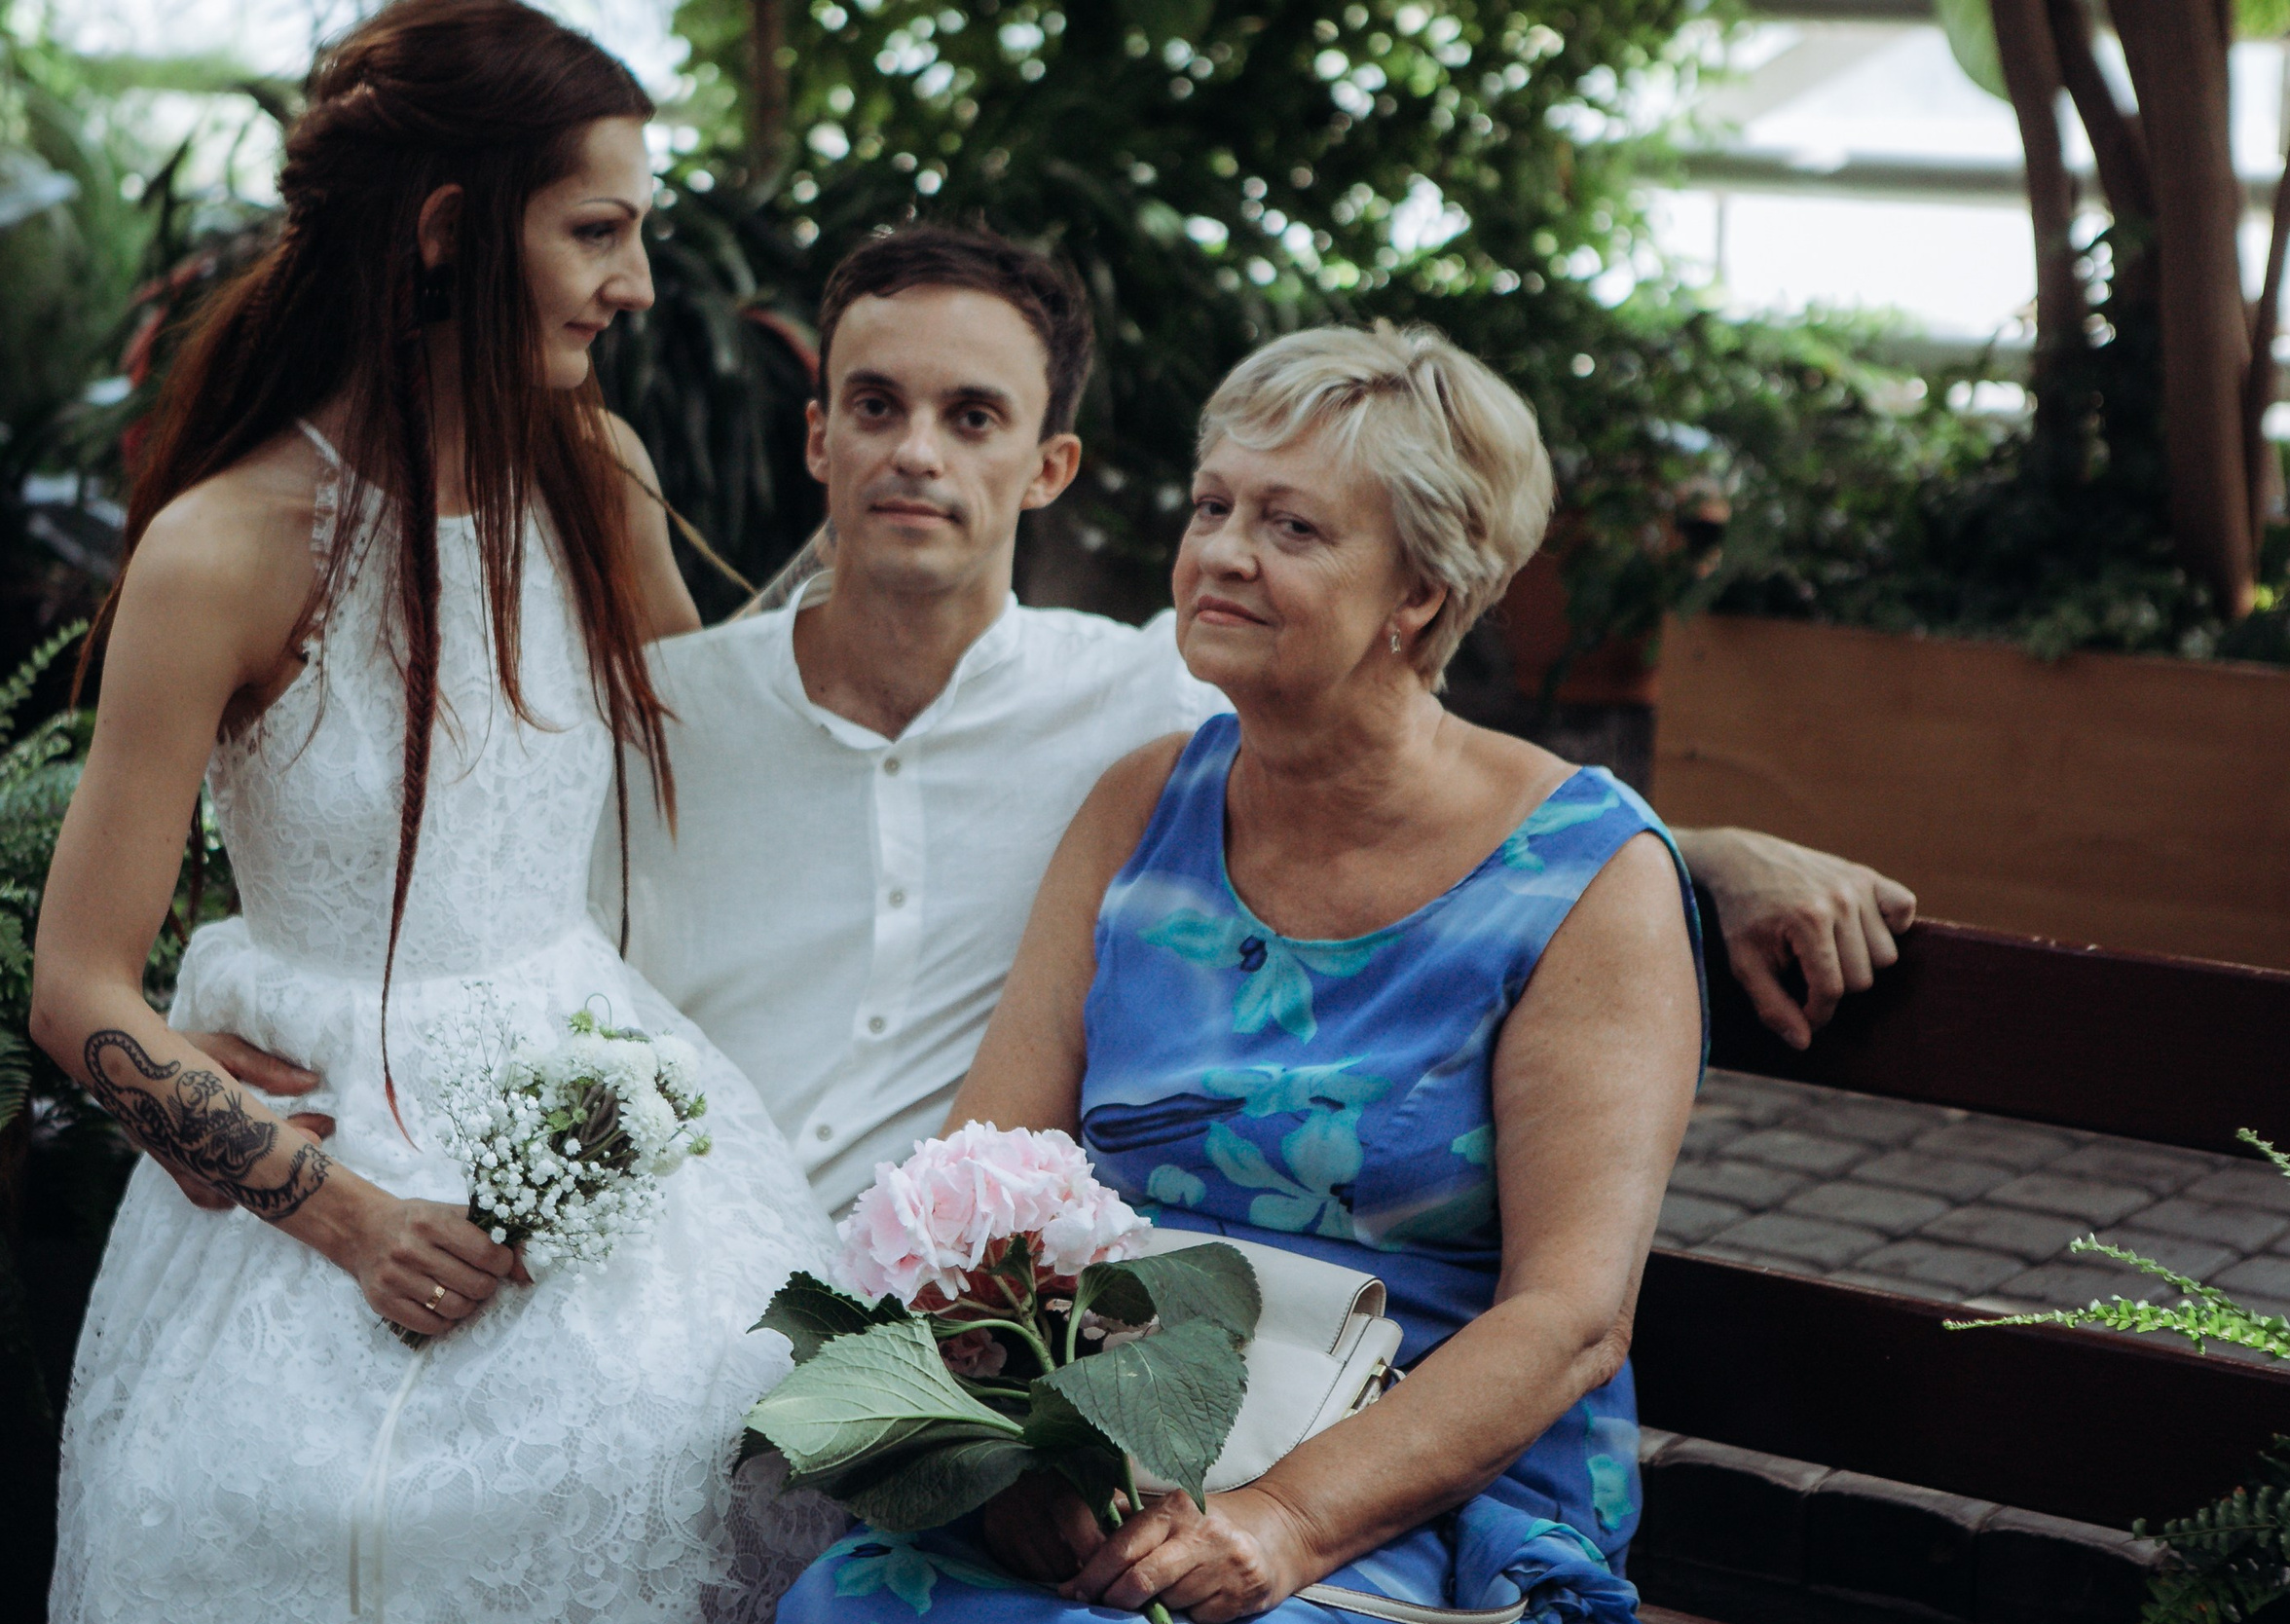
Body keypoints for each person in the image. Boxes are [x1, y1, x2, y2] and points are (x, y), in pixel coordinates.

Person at [25, 5, 833, 1624]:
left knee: (720, 1454)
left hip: (599, 1095)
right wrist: (335, 1211)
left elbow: (730, 777)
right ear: (454, 231)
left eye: (640, 232)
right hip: (321, 1163)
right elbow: (75, 984)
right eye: (598, 231)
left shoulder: (596, 470)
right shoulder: (225, 549)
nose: (640, 284)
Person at [601, 223, 1906, 1223]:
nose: (917, 454)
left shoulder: (1144, 707)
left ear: (1051, 466)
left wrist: (1693, 854)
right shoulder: (675, 718)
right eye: (877, 407)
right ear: (818, 437)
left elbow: (1407, 778)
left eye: (974, 415)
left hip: (957, 1313)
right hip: (694, 1268)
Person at [774, 320, 1694, 1624]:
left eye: (1293, 528)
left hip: (1404, 1499)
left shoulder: (1587, 878)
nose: (1219, 551)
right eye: (1213, 506)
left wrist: (1285, 1518)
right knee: (827, 1614)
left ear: (1421, 596)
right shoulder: (1144, 803)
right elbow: (980, 1177)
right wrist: (1017, 1459)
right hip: (1111, 1460)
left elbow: (1570, 1321)